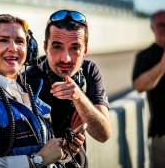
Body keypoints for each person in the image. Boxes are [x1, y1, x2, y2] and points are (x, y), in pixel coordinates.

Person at [0, 14, 85, 168]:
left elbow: (41, 153)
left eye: (19, 42)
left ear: (29, 50)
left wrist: (63, 152)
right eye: (3, 40)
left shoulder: (26, 93)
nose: (13, 48)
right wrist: (37, 160)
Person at [24, 10, 112, 168]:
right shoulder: (27, 80)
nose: (66, 58)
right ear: (45, 47)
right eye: (57, 47)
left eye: (75, 48)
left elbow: (104, 134)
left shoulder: (89, 71)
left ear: (85, 50)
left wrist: (79, 98)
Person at [132, 10, 165, 168]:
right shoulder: (145, 56)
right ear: (152, 28)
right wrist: (162, 66)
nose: (164, 28)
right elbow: (139, 86)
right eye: (161, 25)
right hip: (161, 133)